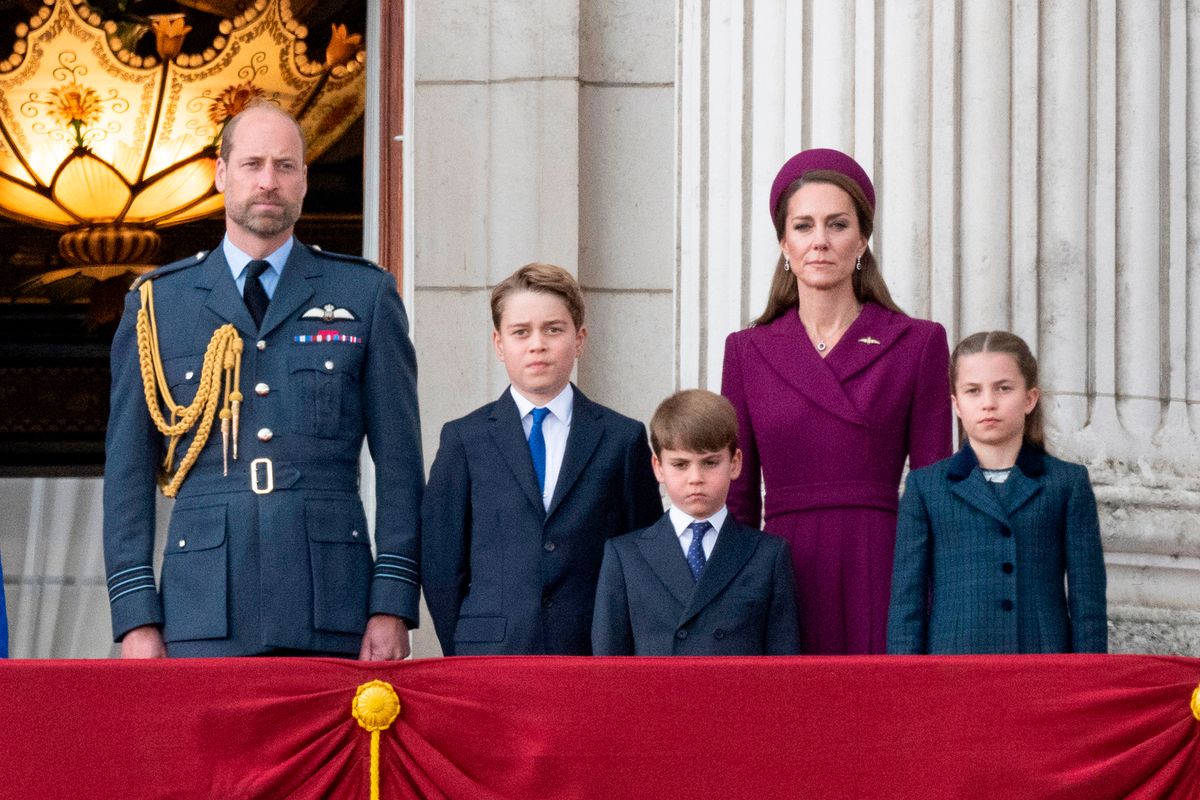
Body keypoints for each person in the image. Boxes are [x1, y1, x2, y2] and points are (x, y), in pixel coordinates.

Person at [102, 102, 423, 659]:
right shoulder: (158, 304)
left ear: (305, 182)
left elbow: (401, 467)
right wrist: (136, 618)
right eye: (252, 164)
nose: (268, 181)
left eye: (285, 166)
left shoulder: (364, 296)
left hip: (334, 604)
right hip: (200, 610)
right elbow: (127, 473)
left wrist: (391, 604)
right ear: (222, 175)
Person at [721, 148, 952, 655]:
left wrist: (932, 599)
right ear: (784, 242)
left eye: (838, 224)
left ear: (863, 239)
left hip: (885, 565)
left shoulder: (918, 343)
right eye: (803, 226)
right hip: (782, 569)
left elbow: (935, 491)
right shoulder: (747, 351)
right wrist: (732, 603)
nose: (819, 241)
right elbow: (737, 498)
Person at [421, 263, 663, 655]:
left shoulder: (622, 439)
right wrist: (466, 645)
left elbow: (642, 558)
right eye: (521, 332)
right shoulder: (464, 439)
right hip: (489, 656)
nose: (537, 344)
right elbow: (441, 563)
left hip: (590, 651)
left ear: (579, 339)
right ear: (499, 344)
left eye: (554, 329)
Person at [887, 332, 1107, 654]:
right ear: (956, 404)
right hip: (954, 665)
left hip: (1042, 663)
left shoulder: (1066, 483)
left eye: (1003, 388)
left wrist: (1090, 680)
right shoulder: (926, 487)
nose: (988, 402)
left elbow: (1087, 599)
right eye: (973, 391)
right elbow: (907, 601)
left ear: (1030, 398)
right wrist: (906, 685)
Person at [592, 389, 800, 656]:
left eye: (710, 463)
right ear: (658, 467)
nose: (695, 478)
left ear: (735, 463)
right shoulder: (625, 557)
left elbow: (783, 667)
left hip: (738, 697)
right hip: (654, 697)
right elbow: (608, 667)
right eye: (680, 464)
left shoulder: (768, 556)